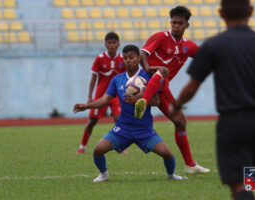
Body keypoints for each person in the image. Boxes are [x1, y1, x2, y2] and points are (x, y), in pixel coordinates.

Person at [169, 0, 255, 199]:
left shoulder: (214, 45)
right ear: (251, 11)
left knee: (238, 187)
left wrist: (176, 106)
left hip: (232, 123)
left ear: (221, 14)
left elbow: (192, 86)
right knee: (251, 182)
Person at [73, 45, 186, 182]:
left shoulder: (148, 76)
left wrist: (138, 98)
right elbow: (105, 99)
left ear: (138, 58)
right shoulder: (117, 79)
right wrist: (86, 106)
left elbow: (156, 101)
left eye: (131, 58)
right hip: (123, 128)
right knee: (98, 150)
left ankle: (171, 175)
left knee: (167, 154)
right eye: (125, 58)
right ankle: (104, 175)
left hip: (144, 129)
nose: (128, 61)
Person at [134, 5, 209, 174]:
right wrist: (147, 69)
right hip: (147, 82)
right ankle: (143, 102)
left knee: (180, 121)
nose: (176, 26)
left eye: (180, 23)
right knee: (162, 70)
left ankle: (190, 165)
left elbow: (205, 57)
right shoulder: (161, 37)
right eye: (174, 22)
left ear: (186, 26)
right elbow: (143, 54)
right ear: (170, 23)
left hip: (163, 87)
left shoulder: (188, 46)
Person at [77, 32, 126, 154]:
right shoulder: (99, 59)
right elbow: (94, 78)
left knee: (118, 120)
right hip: (101, 95)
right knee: (92, 121)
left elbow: (125, 78)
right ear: (105, 44)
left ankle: (120, 147)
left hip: (115, 96)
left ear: (118, 44)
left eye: (114, 42)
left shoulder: (122, 59)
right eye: (109, 42)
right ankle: (82, 146)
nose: (112, 45)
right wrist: (90, 96)